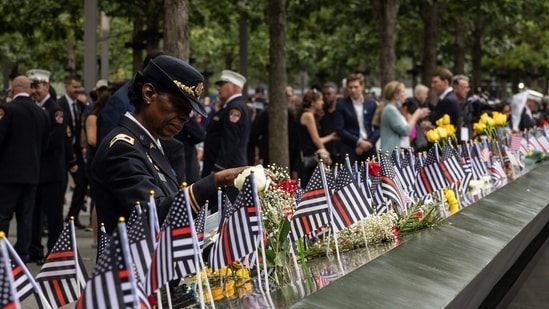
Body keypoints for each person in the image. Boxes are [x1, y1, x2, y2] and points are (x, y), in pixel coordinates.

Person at [91, 55, 248, 234]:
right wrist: (216, 181)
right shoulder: (122, 147)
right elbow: (153, 215)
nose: (185, 116)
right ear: (149, 93)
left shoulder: (150, 143)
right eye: (179, 105)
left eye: (189, 110)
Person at [0, 75, 49, 262]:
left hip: (7, 175)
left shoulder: (7, 109)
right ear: (29, 89)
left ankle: (2, 251)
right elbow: (45, 144)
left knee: (3, 216)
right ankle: (22, 253)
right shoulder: (42, 113)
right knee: (25, 219)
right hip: (31, 175)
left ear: (13, 89)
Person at [26, 69, 67, 264]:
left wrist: (31, 145)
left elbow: (55, 140)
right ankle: (34, 249)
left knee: (53, 216)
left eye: (38, 86)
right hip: (35, 172)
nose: (35, 90)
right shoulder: (31, 108)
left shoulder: (56, 110)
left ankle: (54, 253)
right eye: (32, 86)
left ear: (47, 87)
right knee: (33, 214)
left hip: (51, 172)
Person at [202, 70, 251, 177]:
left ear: (234, 87)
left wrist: (218, 169)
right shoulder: (230, 107)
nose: (218, 88)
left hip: (226, 171)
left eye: (222, 84)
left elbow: (230, 142)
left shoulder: (235, 108)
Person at [58, 74, 88, 229]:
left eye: (78, 87)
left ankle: (72, 216)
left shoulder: (80, 106)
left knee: (82, 182)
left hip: (76, 151)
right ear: (67, 87)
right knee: (60, 186)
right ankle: (54, 219)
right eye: (74, 87)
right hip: (62, 153)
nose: (77, 90)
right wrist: (70, 160)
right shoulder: (59, 105)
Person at [334, 73, 380, 163]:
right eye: (350, 87)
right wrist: (358, 142)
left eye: (356, 87)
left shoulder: (371, 104)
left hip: (369, 146)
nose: (353, 90)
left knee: (373, 175)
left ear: (362, 86)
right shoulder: (342, 105)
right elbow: (340, 129)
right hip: (350, 147)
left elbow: (378, 127)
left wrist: (370, 143)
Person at [295, 89, 337, 187]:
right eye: (320, 100)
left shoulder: (307, 115)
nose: (322, 102)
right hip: (309, 157)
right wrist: (326, 154)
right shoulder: (308, 116)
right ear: (312, 102)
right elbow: (315, 139)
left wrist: (330, 137)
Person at [373, 81, 430, 151]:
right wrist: (415, 116)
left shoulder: (393, 109)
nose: (405, 94)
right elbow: (405, 131)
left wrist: (417, 116)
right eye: (403, 92)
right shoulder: (390, 110)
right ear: (395, 95)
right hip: (391, 153)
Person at [421, 68, 460, 139]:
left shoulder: (448, 100)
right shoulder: (448, 98)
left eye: (435, 82)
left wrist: (428, 125)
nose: (432, 85)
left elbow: (441, 123)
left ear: (445, 82)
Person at [405, 84, 432, 152]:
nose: (427, 96)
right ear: (419, 94)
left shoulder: (424, 104)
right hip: (413, 136)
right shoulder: (410, 103)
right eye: (425, 94)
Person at [320, 82, 341, 165]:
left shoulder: (341, 110)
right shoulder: (321, 113)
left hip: (340, 152)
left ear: (335, 94)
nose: (326, 97)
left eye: (328, 94)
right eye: (324, 94)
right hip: (326, 151)